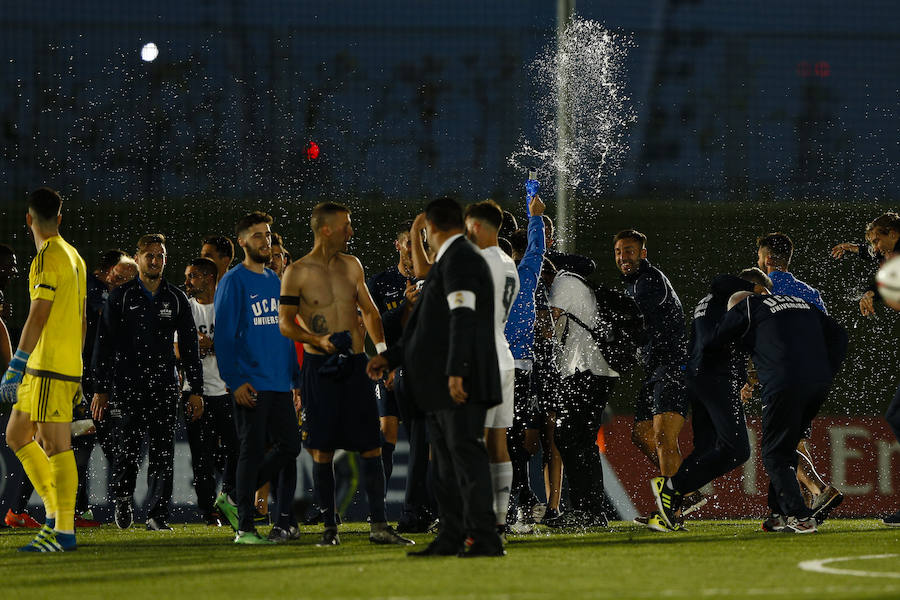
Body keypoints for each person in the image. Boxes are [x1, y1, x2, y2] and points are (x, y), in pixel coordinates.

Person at [367, 197, 505, 558]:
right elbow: (426, 325)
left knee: (465, 458)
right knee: (444, 463)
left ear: (431, 228)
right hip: (446, 379)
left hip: (463, 378)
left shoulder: (461, 258)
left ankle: (485, 537)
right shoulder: (450, 260)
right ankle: (451, 535)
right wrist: (390, 357)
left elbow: (462, 317)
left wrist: (457, 371)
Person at [657, 291, 847, 534]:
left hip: (783, 383)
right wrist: (826, 371)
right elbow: (839, 336)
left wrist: (717, 377)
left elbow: (714, 343)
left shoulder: (746, 306)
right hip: (819, 383)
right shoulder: (801, 305)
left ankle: (800, 517)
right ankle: (778, 514)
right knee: (786, 445)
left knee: (774, 454)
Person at [279, 202, 411, 547]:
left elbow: (370, 312)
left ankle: (379, 525)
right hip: (319, 369)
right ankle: (329, 529)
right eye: (346, 225)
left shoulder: (353, 265)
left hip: (355, 365)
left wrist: (382, 353)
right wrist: (317, 340)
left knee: (371, 446)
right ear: (326, 229)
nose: (351, 231)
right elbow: (285, 323)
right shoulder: (296, 272)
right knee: (322, 449)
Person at [91, 234, 204, 532]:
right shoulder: (121, 296)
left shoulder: (176, 298)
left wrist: (195, 389)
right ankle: (123, 497)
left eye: (160, 256)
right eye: (149, 255)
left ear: (165, 260)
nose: (155, 261)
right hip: (126, 387)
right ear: (138, 258)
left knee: (163, 452)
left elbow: (190, 348)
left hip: (164, 387)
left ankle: (157, 515)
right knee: (127, 450)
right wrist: (100, 388)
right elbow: (104, 344)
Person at [649, 268, 771, 531]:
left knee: (705, 449)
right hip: (716, 379)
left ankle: (671, 509)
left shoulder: (713, 301)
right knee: (737, 450)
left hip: (699, 378)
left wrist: (742, 379)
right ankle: (672, 487)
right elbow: (720, 281)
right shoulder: (731, 293)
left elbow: (724, 338)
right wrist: (755, 290)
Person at [2, 187, 86, 552]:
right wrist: (78, 366)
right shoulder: (75, 256)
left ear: (28, 219)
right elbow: (82, 318)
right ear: (60, 218)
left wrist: (15, 363)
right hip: (52, 366)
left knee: (55, 445)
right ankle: (55, 517)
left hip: (48, 366)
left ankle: (62, 531)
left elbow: (38, 313)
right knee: (17, 434)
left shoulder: (47, 257)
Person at [212, 211, 301, 545]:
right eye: (258, 235)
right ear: (242, 241)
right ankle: (245, 528)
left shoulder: (274, 281)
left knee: (290, 446)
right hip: (251, 382)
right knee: (250, 451)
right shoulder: (233, 281)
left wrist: (295, 379)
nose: (266, 241)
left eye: (268, 235)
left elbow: (284, 333)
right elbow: (223, 337)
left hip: (279, 382)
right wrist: (234, 381)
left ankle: (236, 496)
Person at [755, 232, 843, 518]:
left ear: (768, 259)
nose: (758, 262)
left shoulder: (763, 290)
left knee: (779, 445)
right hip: (814, 377)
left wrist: (750, 377)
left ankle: (818, 491)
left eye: (759, 257)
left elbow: (759, 334)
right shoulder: (810, 292)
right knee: (794, 440)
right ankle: (791, 511)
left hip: (782, 376)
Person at [613, 229, 688, 527]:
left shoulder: (649, 280)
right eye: (618, 252)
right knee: (642, 433)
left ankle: (673, 511)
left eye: (629, 251)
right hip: (655, 368)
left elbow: (633, 317)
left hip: (671, 366)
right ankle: (685, 490)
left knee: (663, 437)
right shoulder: (634, 284)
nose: (623, 257)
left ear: (643, 253)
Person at [545, 269, 623, 528]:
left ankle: (585, 510)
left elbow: (547, 327)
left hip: (586, 370)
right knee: (580, 440)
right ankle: (591, 511)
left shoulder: (562, 282)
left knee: (570, 437)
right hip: (595, 370)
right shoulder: (578, 283)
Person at [464, 200, 520, 537]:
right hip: (503, 358)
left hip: (480, 360)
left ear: (478, 226)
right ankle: (498, 520)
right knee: (498, 445)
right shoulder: (508, 262)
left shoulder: (480, 261)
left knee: (475, 444)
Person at [176, 257, 238, 527]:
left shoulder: (226, 307)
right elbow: (177, 348)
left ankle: (228, 498)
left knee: (236, 450)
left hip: (226, 390)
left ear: (209, 278)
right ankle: (209, 511)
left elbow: (237, 345)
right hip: (194, 392)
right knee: (201, 456)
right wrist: (195, 345)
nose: (187, 282)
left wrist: (211, 344)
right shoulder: (185, 308)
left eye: (193, 276)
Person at [504, 197, 546, 532]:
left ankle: (513, 507)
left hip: (496, 370)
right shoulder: (526, 277)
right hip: (521, 370)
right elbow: (537, 250)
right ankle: (522, 502)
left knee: (500, 441)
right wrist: (535, 218)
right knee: (512, 439)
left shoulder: (488, 284)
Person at [366, 220, 416, 503]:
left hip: (420, 371)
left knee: (425, 439)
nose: (414, 249)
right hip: (389, 370)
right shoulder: (380, 283)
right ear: (398, 245)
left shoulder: (431, 279)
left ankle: (424, 507)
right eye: (409, 243)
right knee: (386, 433)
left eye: (420, 243)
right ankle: (379, 509)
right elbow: (374, 327)